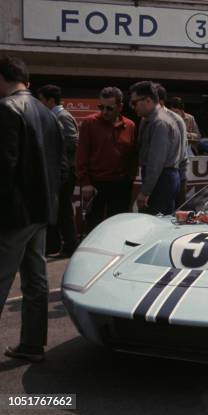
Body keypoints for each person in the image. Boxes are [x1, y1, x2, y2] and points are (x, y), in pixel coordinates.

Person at [0, 56, 65, 362]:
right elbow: (60, 166)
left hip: (13, 214)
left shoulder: (7, 109)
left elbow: (4, 168)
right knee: (36, 279)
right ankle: (32, 344)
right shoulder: (48, 113)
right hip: (41, 212)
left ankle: (31, 346)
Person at [76, 87, 137, 230]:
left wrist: (130, 178)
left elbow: (133, 155)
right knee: (94, 226)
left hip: (121, 184)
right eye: (101, 107)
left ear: (120, 107)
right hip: (96, 184)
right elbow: (81, 154)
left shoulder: (130, 126)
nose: (104, 111)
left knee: (118, 226)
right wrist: (85, 182)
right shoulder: (89, 123)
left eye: (109, 108)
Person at [37, 84, 79, 257]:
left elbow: (72, 141)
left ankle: (70, 246)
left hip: (65, 172)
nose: (39, 104)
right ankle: (54, 245)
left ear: (50, 100)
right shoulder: (53, 116)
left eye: (41, 100)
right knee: (56, 209)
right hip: (57, 171)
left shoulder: (61, 116)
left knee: (63, 210)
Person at [130, 81, 182, 215]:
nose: (133, 107)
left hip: (162, 178)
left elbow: (156, 161)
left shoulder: (159, 122)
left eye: (135, 103)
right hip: (161, 177)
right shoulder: (151, 120)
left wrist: (145, 192)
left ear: (148, 100)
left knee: (155, 223)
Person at [154, 86, 188, 207]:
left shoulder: (176, 120)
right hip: (153, 178)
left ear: (160, 102)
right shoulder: (147, 119)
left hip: (172, 176)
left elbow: (181, 153)